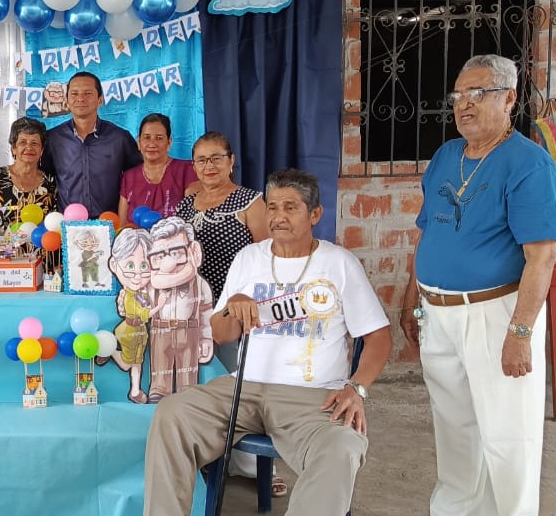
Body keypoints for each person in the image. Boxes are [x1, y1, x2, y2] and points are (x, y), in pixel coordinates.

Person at [144, 169, 392, 516]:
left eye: (290, 207)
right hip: (242, 388)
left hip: (313, 397)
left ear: (315, 214)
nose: (278, 216)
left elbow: (378, 336)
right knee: (172, 414)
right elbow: (221, 333)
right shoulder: (249, 258)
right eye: (272, 207)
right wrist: (233, 306)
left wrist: (357, 388)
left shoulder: (339, 263)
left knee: (342, 446)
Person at [399, 54, 556, 516]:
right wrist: (412, 297)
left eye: (478, 93)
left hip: (495, 314)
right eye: (458, 95)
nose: (464, 104)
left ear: (509, 98)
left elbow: (542, 257)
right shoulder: (446, 156)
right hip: (438, 312)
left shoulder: (529, 165)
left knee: (508, 433)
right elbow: (427, 231)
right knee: (454, 428)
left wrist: (520, 333)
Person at [175, 132, 267, 371]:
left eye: (216, 158)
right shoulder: (185, 205)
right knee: (195, 377)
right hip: (191, 307)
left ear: (231, 160)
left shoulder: (249, 201)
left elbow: (267, 255)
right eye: (202, 160)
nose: (209, 166)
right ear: (194, 165)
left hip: (232, 306)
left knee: (230, 376)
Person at [43, 71, 141, 217]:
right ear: (67, 101)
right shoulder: (53, 139)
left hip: (110, 223)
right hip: (65, 225)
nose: (80, 98)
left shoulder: (120, 138)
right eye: (74, 94)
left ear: (100, 100)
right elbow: (44, 179)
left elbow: (137, 179)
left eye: (88, 93)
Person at [145, 216, 214, 402]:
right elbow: (141, 302)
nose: (169, 264)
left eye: (177, 253)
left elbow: (206, 311)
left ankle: (188, 391)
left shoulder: (199, 284)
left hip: (189, 329)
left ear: (193, 251)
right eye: (160, 256)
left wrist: (206, 337)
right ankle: (159, 390)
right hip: (160, 329)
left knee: (188, 367)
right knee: (160, 363)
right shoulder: (152, 285)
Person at [0, 117, 59, 234]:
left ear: (41, 150)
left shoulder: (51, 183)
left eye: (34, 143)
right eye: (23, 142)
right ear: (13, 148)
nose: (29, 147)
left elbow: (54, 225)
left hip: (39, 246)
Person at [118, 113, 198, 227]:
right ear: (138, 142)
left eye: (159, 138)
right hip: (136, 238)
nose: (152, 144)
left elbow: (195, 219)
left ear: (169, 142)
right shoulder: (129, 177)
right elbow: (122, 228)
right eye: (147, 137)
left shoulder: (187, 170)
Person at [109, 228, 159, 403]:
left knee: (138, 361)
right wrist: (159, 306)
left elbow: (146, 303)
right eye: (130, 266)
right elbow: (143, 312)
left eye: (144, 266)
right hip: (129, 330)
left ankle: (135, 390)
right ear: (114, 265)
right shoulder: (129, 296)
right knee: (126, 364)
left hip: (141, 331)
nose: (138, 274)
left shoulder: (142, 293)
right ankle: (109, 350)